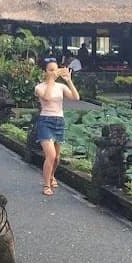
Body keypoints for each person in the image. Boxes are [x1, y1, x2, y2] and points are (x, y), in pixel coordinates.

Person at [35, 60, 80, 196]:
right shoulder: (39, 87)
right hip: (45, 121)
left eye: (56, 69)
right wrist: (50, 81)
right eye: (50, 70)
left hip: (59, 121)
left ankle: (52, 175)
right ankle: (46, 184)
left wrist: (69, 81)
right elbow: (47, 98)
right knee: (51, 155)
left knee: (57, 157)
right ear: (45, 72)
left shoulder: (61, 87)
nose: (54, 72)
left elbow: (76, 98)